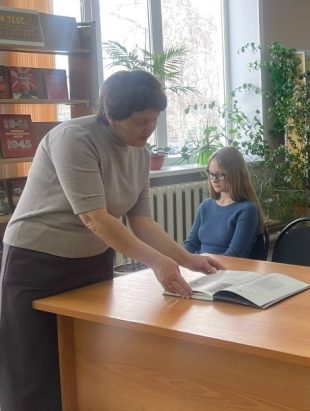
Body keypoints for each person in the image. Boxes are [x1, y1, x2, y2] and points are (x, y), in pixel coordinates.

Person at [0, 70, 223, 410]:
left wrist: (187, 259)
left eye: (154, 120)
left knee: (88, 362)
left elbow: (142, 221)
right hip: (37, 263)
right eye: (140, 122)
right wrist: (155, 261)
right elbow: (94, 217)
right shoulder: (74, 138)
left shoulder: (140, 152)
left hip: (91, 264)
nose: (149, 129)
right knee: (34, 370)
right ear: (110, 114)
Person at [183, 147, 266, 258]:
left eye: (220, 174)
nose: (213, 179)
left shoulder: (247, 209)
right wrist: (177, 258)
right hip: (204, 265)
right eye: (210, 173)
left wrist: (204, 264)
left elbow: (234, 254)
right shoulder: (205, 206)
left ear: (235, 174)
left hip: (228, 267)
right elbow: (191, 243)